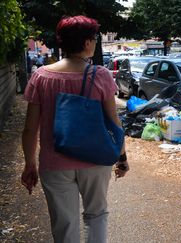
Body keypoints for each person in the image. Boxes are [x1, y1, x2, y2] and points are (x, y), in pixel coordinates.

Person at [21, 15, 129, 243]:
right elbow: (114, 122)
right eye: (94, 38)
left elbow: (30, 128)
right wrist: (122, 157)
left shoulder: (41, 76)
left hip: (54, 162)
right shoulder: (100, 75)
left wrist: (29, 163)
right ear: (87, 43)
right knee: (97, 214)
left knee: (64, 223)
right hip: (95, 159)